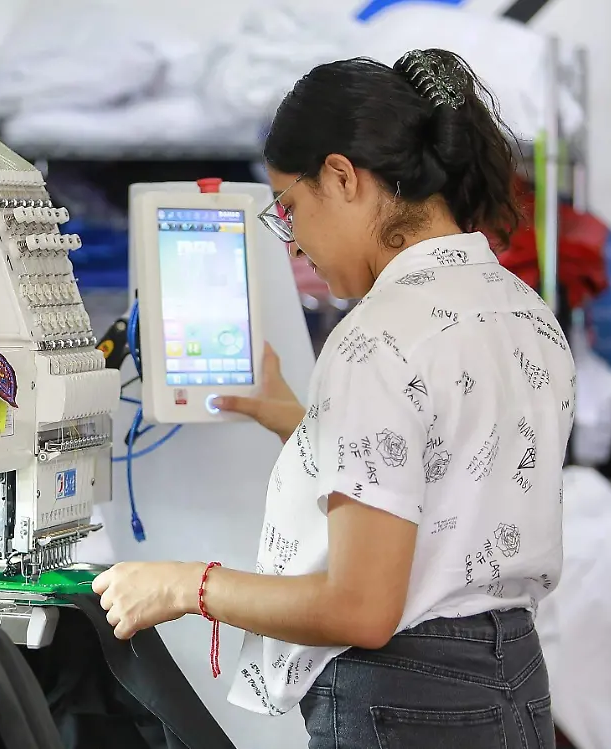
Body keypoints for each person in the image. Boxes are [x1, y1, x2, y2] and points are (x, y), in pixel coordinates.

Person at [92, 48, 575, 748]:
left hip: (403, 703)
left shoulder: (375, 338)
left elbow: (359, 608)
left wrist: (184, 585)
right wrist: (290, 412)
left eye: (289, 207)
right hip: (515, 687)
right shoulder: (523, 312)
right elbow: (442, 478)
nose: (295, 244)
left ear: (342, 176)